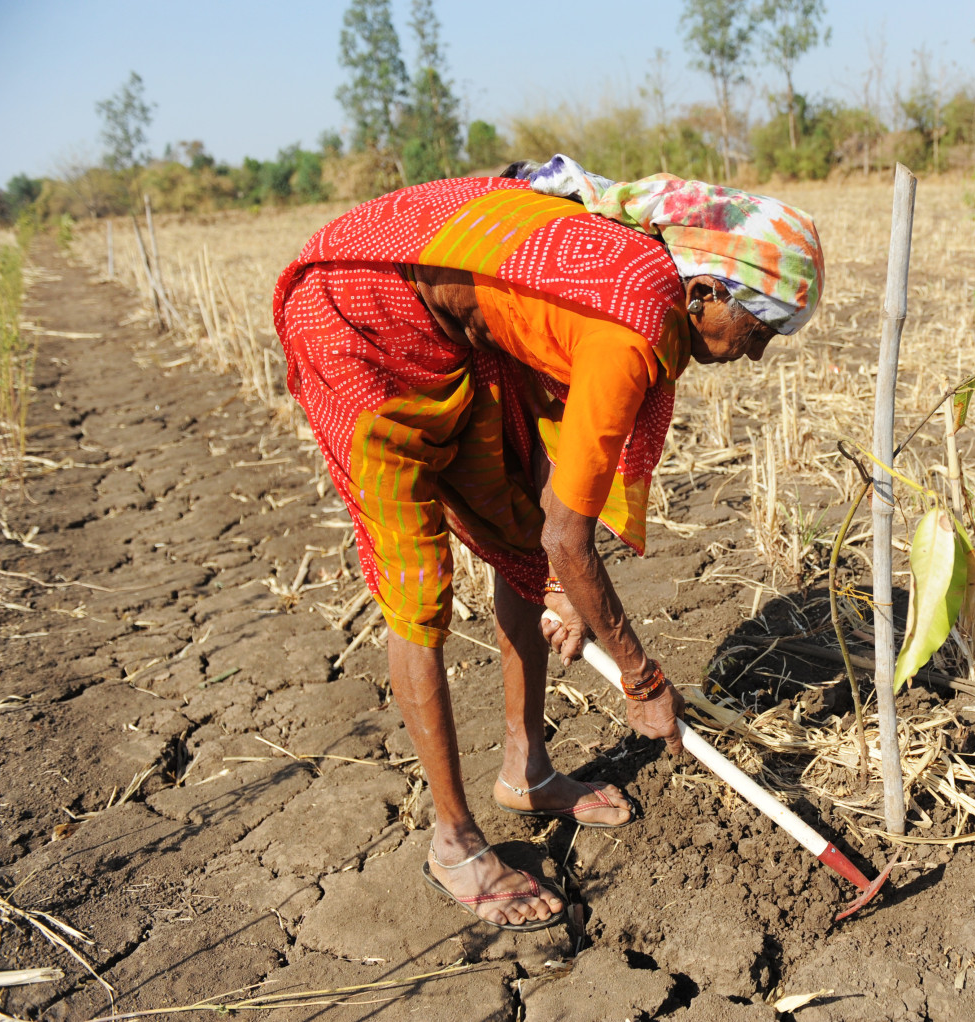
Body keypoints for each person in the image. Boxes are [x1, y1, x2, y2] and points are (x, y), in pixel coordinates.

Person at [272, 156, 824, 930]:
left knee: (522, 549)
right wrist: (641, 678)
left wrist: (561, 578)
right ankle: (454, 844)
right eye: (757, 331)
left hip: (454, 333)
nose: (756, 355)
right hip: (355, 319)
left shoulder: (641, 297)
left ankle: (525, 771)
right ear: (702, 293)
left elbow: (549, 488)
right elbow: (573, 537)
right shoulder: (629, 331)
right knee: (419, 582)